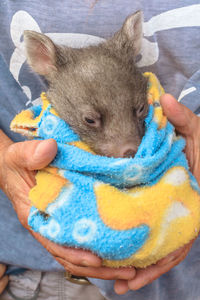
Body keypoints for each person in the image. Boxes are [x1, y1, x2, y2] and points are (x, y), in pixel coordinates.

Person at [0, 1, 200, 299]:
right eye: (91, 121)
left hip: (179, 271)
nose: (126, 147)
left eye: (138, 111)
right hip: (24, 268)